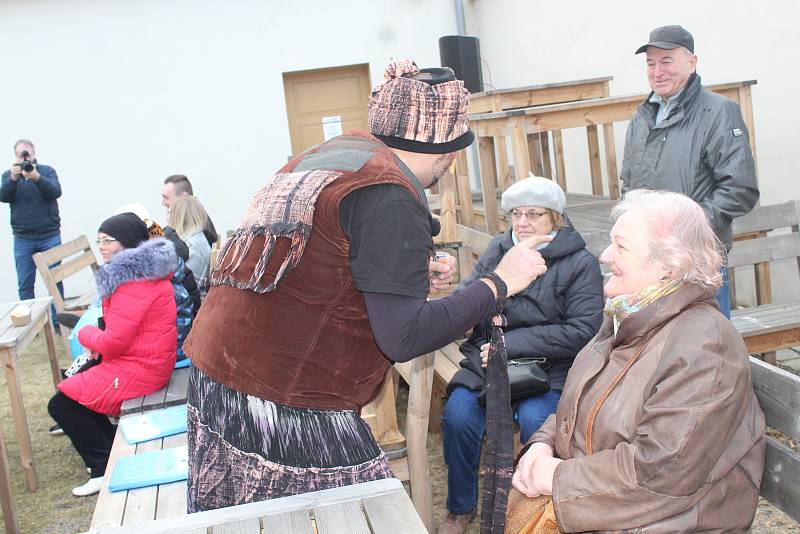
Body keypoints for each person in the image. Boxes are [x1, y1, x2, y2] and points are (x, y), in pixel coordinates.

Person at [183, 58, 550, 513]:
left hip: (220, 373)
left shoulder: (336, 153)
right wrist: (501, 282)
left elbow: (319, 258)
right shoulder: (389, 195)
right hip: (280, 401)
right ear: (452, 153)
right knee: (358, 519)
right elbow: (404, 336)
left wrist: (405, 268)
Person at [511, 190, 765, 532]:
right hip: (611, 510)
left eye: (621, 246)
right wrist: (542, 445)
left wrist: (558, 476)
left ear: (668, 265)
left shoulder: (704, 343)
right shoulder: (626, 316)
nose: (604, 255)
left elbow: (661, 472)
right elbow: (576, 407)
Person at [439, 175, 604, 534]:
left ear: (555, 218)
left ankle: (532, 512)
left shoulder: (580, 263)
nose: (523, 222)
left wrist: (509, 345)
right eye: (516, 213)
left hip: (549, 367)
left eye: (534, 213)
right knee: (459, 416)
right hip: (488, 360)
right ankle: (460, 507)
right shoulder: (498, 251)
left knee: (536, 421)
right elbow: (472, 297)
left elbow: (583, 331)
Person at [619, 25, 759, 318]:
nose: (657, 71)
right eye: (650, 63)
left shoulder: (719, 111)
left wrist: (683, 227)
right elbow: (628, 186)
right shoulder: (642, 117)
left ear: (691, 62)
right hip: (649, 261)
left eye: (666, 60)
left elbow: (740, 189)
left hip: (697, 260)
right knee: (658, 351)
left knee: (706, 349)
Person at [47, 213, 178, 496]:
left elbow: (114, 342)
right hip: (141, 361)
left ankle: (101, 466)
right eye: (99, 241)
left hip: (142, 368)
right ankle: (109, 457)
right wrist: (99, 337)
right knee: (71, 394)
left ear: (128, 242)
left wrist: (86, 335)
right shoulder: (141, 274)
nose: (102, 246)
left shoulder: (135, 282)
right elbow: (118, 331)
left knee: (61, 405)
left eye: (109, 241)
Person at [0, 139, 63, 328]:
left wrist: (36, 177)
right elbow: (3, 196)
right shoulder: (9, 176)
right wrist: (12, 178)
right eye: (21, 155)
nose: (25, 158)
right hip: (23, 238)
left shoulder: (46, 171)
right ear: (16, 156)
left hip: (49, 235)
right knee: (25, 284)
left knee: (55, 280)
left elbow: (55, 191)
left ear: (34, 153)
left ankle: (59, 323)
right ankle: (31, 327)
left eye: (27, 153)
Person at [161, 174, 218, 247]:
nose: (163, 203)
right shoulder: (191, 227)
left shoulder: (193, 240)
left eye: (166, 197)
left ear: (183, 197)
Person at [168, 196, 212, 288]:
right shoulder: (196, 238)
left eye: (170, 213)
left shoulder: (192, 245)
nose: (167, 218)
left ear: (178, 217)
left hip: (191, 298)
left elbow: (182, 280)